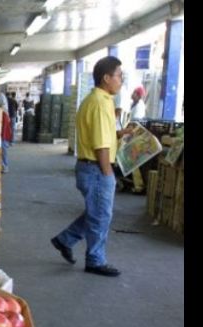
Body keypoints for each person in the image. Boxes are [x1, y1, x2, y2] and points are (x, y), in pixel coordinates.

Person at [50, 56, 133, 277]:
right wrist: (108, 174)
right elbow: (100, 144)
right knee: (100, 216)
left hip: (94, 167)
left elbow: (103, 136)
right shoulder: (98, 103)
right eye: (119, 76)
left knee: (97, 212)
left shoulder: (102, 100)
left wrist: (120, 134)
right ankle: (95, 260)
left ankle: (65, 240)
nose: (121, 80)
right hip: (96, 168)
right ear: (106, 78)